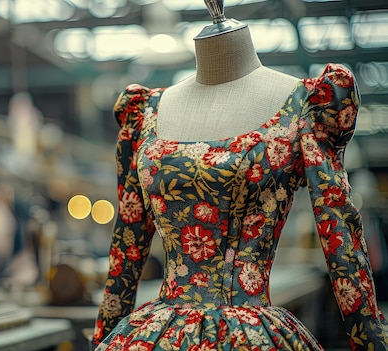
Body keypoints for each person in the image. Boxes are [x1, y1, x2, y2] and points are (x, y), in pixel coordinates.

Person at [92, 3, 388, 350]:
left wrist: (369, 339)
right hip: (156, 333)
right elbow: (127, 243)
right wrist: (106, 332)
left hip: (249, 333)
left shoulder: (304, 105)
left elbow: (339, 231)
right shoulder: (145, 113)